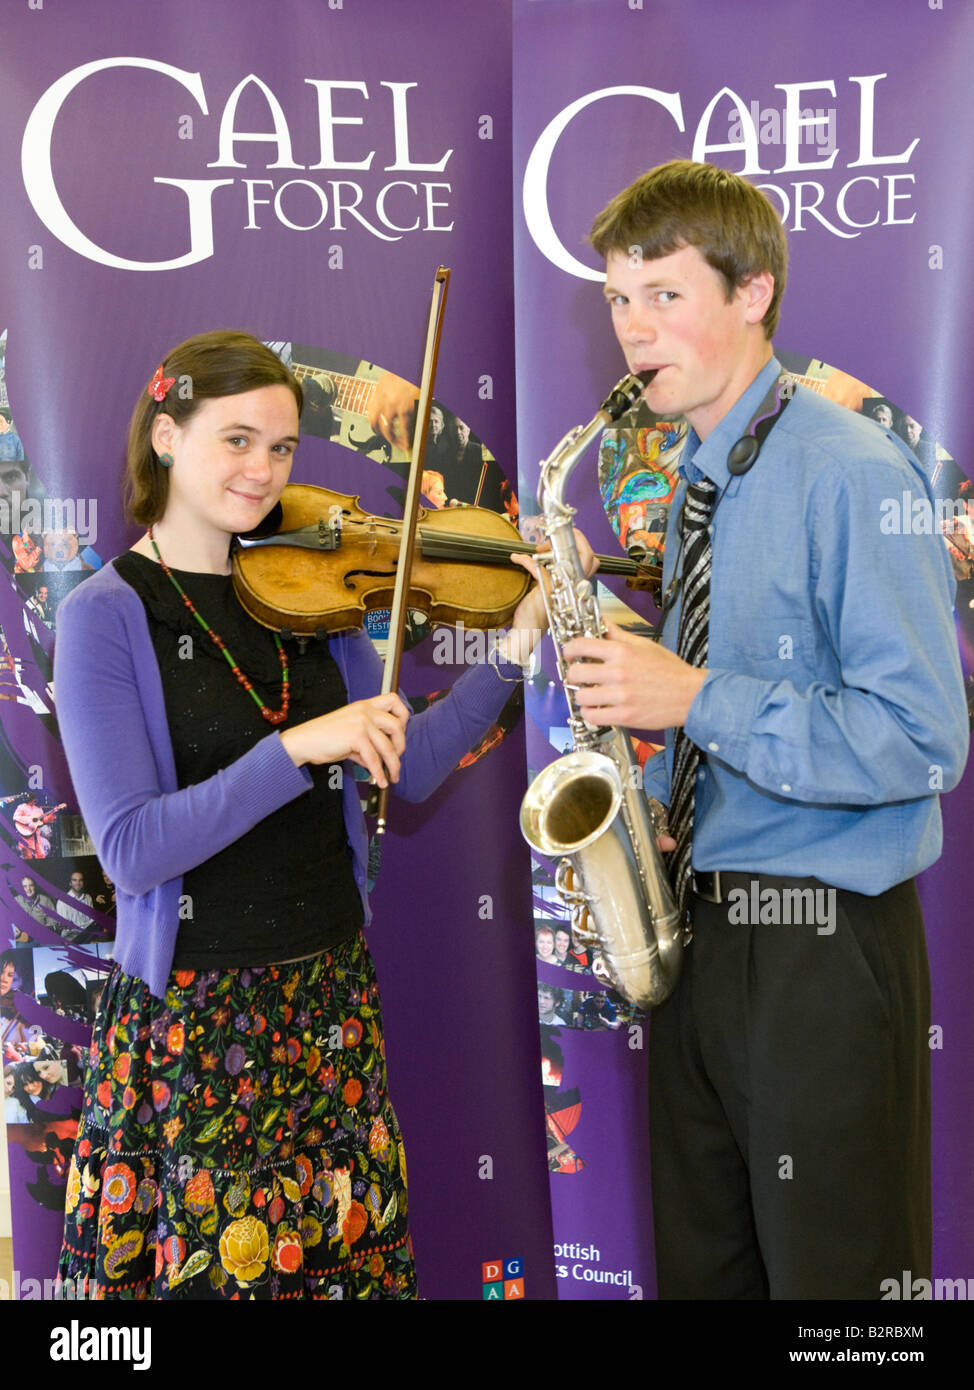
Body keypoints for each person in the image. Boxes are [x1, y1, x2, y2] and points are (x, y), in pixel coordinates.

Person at [52, 329, 559, 1301]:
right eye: (236, 440)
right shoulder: (105, 617)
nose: (263, 470)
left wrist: (514, 646)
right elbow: (131, 849)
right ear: (165, 436)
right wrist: (296, 747)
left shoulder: (308, 589)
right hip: (195, 1028)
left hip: (325, 1005)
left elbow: (406, 766)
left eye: (281, 448)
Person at [563, 160, 968, 1299]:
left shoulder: (844, 470)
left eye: (662, 295)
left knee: (835, 1294)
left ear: (753, 292)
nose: (630, 330)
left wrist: (686, 697)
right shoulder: (702, 472)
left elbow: (920, 739)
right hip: (701, 939)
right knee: (711, 1275)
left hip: (823, 955)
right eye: (615, 300)